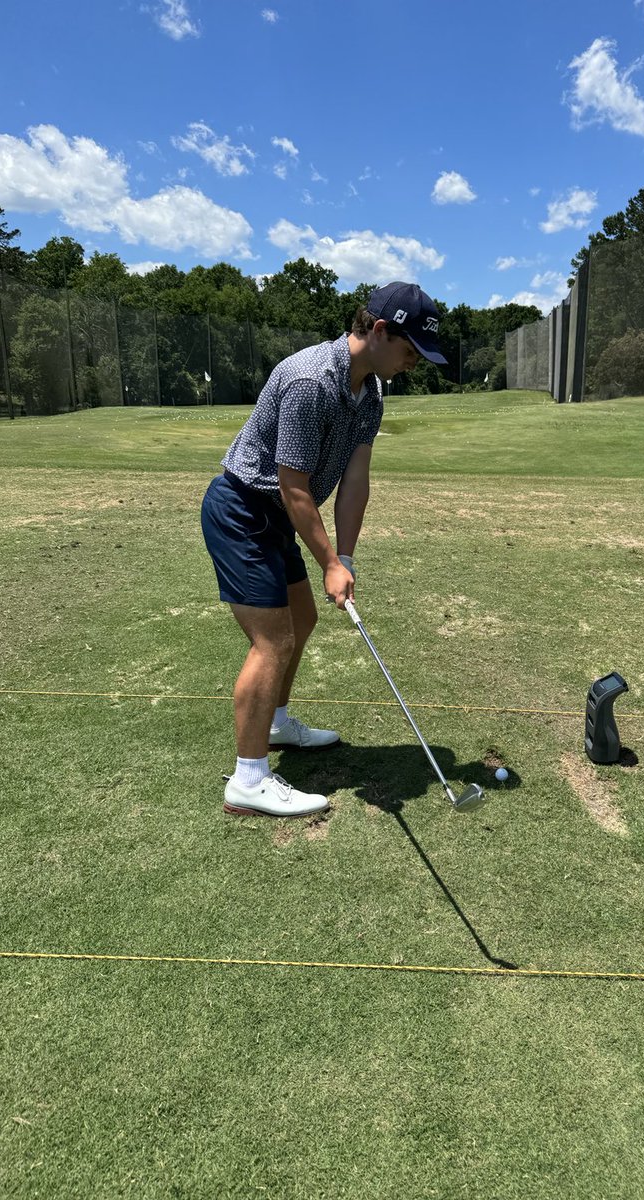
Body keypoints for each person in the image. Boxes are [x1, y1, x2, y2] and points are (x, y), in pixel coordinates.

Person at [201, 281, 446, 819]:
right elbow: (293, 486)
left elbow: (355, 478)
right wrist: (328, 563)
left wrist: (347, 559)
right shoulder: (311, 379)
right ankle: (248, 779)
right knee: (273, 640)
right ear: (379, 330)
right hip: (243, 510)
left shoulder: (372, 392)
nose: (413, 364)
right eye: (410, 352)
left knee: (302, 619)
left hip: (281, 515)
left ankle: (277, 722)